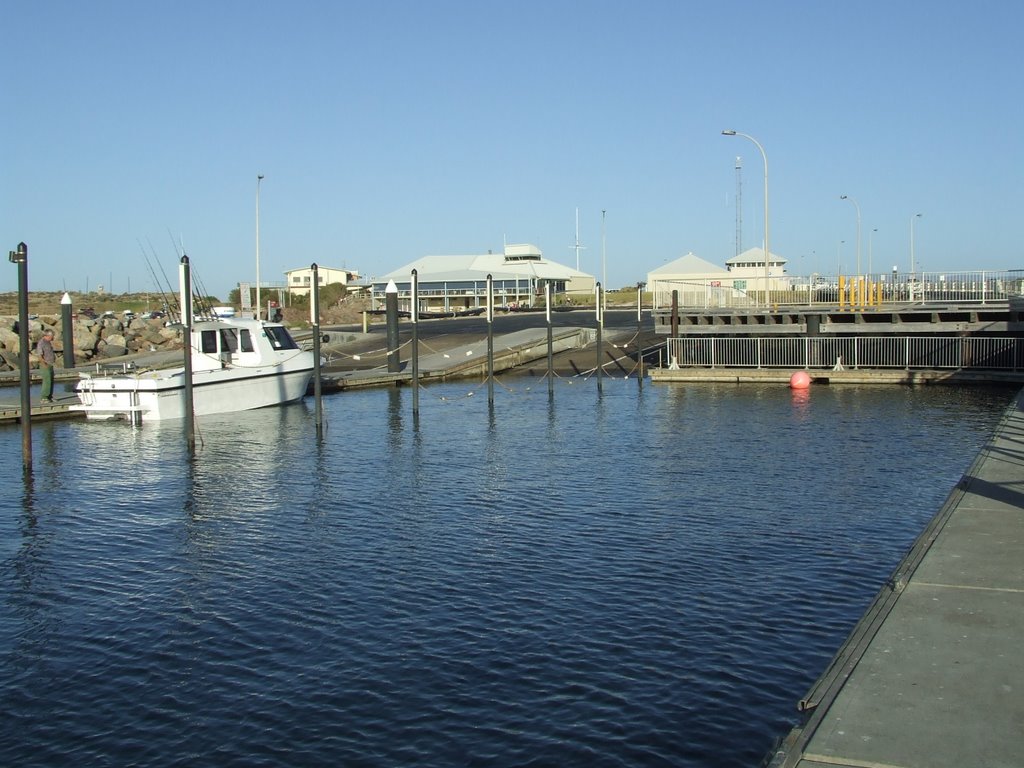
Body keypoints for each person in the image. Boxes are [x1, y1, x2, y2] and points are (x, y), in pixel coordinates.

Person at [37, 329, 56, 403]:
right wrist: (43, 364)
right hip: (45, 364)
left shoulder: (48, 342)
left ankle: (49, 396)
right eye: (52, 336)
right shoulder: (41, 343)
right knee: (47, 381)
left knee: (51, 381)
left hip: (50, 364)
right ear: (47, 335)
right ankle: (44, 397)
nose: (53, 337)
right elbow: (39, 354)